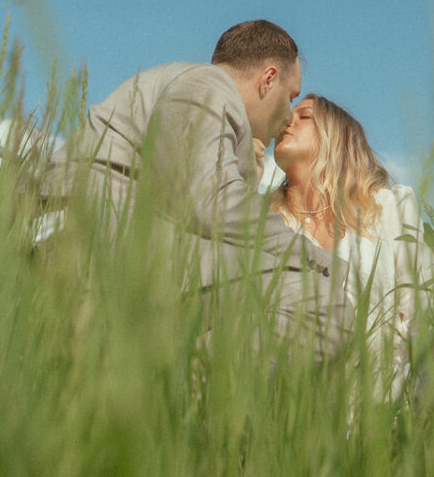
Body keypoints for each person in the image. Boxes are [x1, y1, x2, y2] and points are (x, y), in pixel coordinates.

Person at [35, 20, 353, 359]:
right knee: (324, 306)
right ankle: (188, 400)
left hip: (124, 234)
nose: (288, 116)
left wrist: (247, 164)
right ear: (268, 78)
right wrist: (318, 261)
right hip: (90, 227)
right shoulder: (208, 85)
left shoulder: (198, 96)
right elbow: (213, 206)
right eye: (290, 97)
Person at [270, 94, 434, 391]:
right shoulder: (264, 220)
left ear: (337, 137)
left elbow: (424, 305)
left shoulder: (388, 209)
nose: (287, 121)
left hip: (386, 402)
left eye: (304, 115)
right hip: (292, 402)